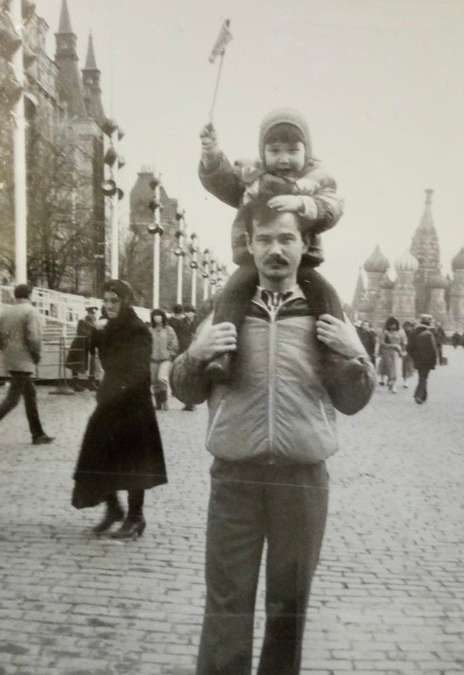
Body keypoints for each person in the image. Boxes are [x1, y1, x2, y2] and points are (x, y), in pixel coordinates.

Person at [171, 191, 376, 674]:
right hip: (235, 479)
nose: (275, 249)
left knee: (289, 608)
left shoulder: (327, 317)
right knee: (227, 604)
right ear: (250, 245)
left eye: (287, 238)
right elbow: (185, 391)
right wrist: (196, 355)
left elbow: (353, 402)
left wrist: (357, 353)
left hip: (302, 481)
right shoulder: (224, 312)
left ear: (305, 244)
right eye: (265, 239)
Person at [198, 108, 359, 386]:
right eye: (274, 150)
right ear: (262, 152)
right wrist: (211, 153)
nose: (283, 159)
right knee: (231, 295)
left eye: (292, 150)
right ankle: (222, 356)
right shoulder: (251, 177)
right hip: (253, 258)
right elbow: (221, 181)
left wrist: (303, 204)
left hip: (302, 261)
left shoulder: (316, 180)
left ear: (306, 151)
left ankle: (336, 359)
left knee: (327, 296)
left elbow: (332, 207)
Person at [71, 280, 168, 539]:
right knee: (95, 453)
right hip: (111, 401)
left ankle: (136, 517)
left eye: (114, 301)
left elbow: (137, 371)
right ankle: (113, 508)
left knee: (133, 460)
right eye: (106, 300)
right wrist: (96, 334)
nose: (108, 305)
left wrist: (118, 391)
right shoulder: (108, 328)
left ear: (125, 301)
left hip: (133, 405)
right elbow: (95, 354)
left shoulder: (138, 330)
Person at [0, 284, 54, 449]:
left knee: (30, 394)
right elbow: (34, 337)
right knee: (12, 400)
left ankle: (38, 434)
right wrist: (35, 355)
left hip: (10, 358)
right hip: (24, 360)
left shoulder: (6, 312)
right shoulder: (31, 311)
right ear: (30, 295)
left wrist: (8, 350)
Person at [169, 304, 198, 411]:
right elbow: (174, 336)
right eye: (188, 312)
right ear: (184, 313)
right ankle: (187, 402)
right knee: (183, 376)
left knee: (192, 377)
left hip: (195, 352)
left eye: (192, 312)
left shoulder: (197, 323)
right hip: (181, 352)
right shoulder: (180, 323)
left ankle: (190, 403)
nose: (190, 314)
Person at [149, 309, 179, 411]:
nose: (157, 318)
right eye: (155, 316)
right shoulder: (150, 330)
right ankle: (158, 403)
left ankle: (165, 402)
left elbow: (174, 344)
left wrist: (170, 354)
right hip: (153, 359)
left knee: (162, 379)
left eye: (159, 315)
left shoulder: (169, 330)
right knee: (154, 382)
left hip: (165, 360)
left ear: (163, 317)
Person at [406, 315, 441, 404]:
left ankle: (423, 396)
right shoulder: (432, 332)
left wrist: (414, 356)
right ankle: (418, 395)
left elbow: (409, 347)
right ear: (430, 322)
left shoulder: (414, 332)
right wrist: (437, 358)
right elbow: (436, 346)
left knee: (422, 377)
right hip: (428, 359)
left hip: (418, 359)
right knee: (424, 377)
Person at [65, 305, 98, 391]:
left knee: (92, 364)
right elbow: (82, 332)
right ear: (88, 313)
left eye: (94, 313)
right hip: (79, 345)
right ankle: (75, 384)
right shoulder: (82, 322)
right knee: (76, 363)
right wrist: (93, 334)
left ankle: (91, 383)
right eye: (91, 313)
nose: (92, 315)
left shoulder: (95, 323)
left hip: (89, 346)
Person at [377, 316, 406, 392]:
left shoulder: (401, 332)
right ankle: (391, 381)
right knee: (390, 369)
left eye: (394, 324)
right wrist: (392, 345)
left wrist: (403, 351)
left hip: (397, 353)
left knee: (396, 369)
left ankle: (394, 384)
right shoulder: (385, 332)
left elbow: (404, 343)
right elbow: (382, 343)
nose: (393, 326)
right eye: (391, 324)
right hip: (388, 352)